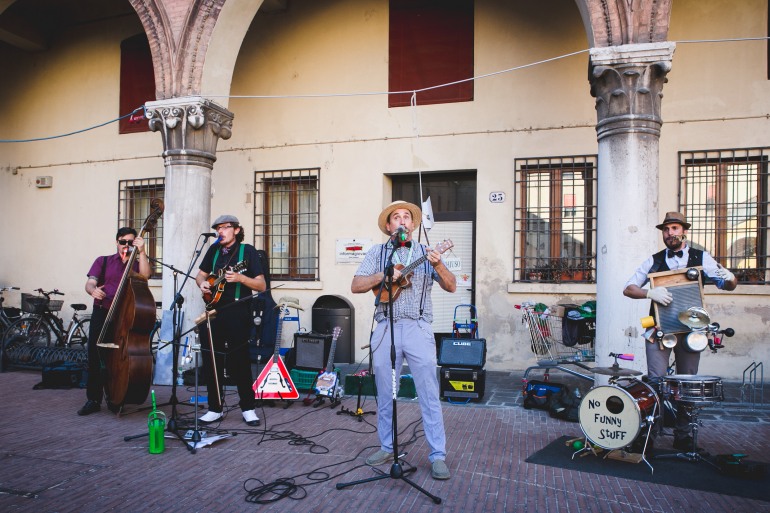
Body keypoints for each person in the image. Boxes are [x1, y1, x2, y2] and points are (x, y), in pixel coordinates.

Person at [351, 200, 457, 480]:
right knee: (386, 393)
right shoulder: (378, 252)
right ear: (389, 226)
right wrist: (384, 274)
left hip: (418, 327)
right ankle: (387, 446)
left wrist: (440, 263)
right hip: (386, 327)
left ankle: (437, 455)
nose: (401, 221)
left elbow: (451, 285)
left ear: (413, 224)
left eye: (406, 217)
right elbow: (356, 285)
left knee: (428, 394)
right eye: (395, 217)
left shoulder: (427, 252)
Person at [623, 211, 737, 450]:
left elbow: (727, 284)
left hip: (691, 333)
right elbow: (629, 288)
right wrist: (649, 292)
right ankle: (649, 437)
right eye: (666, 229)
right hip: (660, 331)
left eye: (674, 228)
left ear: (684, 231)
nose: (670, 233)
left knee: (688, 385)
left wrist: (731, 277)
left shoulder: (701, 257)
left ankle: (683, 437)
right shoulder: (654, 260)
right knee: (655, 382)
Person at [195, 215, 266, 426]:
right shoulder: (213, 250)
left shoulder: (248, 252)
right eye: (218, 228)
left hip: (238, 311)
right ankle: (214, 408)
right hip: (213, 310)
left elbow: (261, 285)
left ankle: (248, 408)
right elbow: (200, 275)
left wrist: (241, 278)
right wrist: (202, 285)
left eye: (225, 227)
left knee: (240, 361)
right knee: (211, 360)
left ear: (236, 229)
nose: (220, 231)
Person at [78, 227, 151, 415]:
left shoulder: (136, 263)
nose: (126, 245)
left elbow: (146, 276)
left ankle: (115, 396)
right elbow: (91, 281)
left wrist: (142, 252)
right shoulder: (103, 261)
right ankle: (93, 399)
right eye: (122, 241)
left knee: (117, 358)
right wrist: (92, 290)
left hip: (124, 315)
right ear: (117, 242)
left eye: (130, 242)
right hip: (102, 311)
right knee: (95, 355)